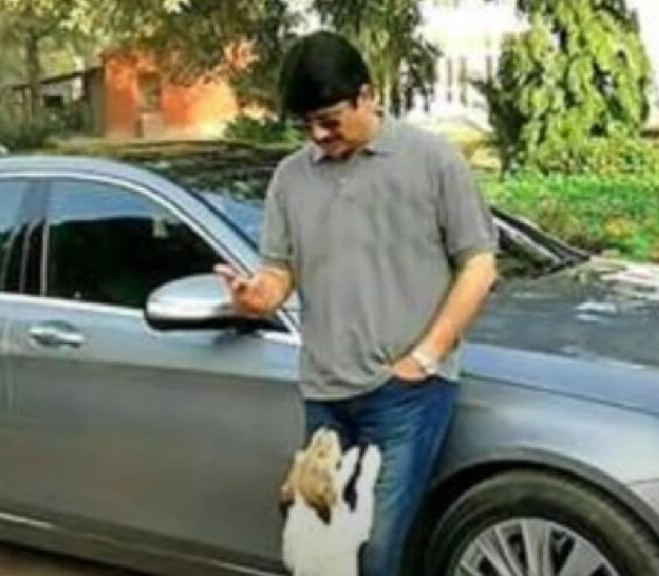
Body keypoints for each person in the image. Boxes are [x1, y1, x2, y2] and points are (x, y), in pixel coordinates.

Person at [215, 30, 498, 576]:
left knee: (373, 550)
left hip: (405, 394)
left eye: (330, 119)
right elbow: (281, 270)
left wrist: (425, 357)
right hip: (324, 392)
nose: (319, 135)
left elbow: (479, 264)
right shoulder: (290, 178)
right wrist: (258, 296)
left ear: (368, 96)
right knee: (316, 550)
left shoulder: (432, 161)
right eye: (307, 125)